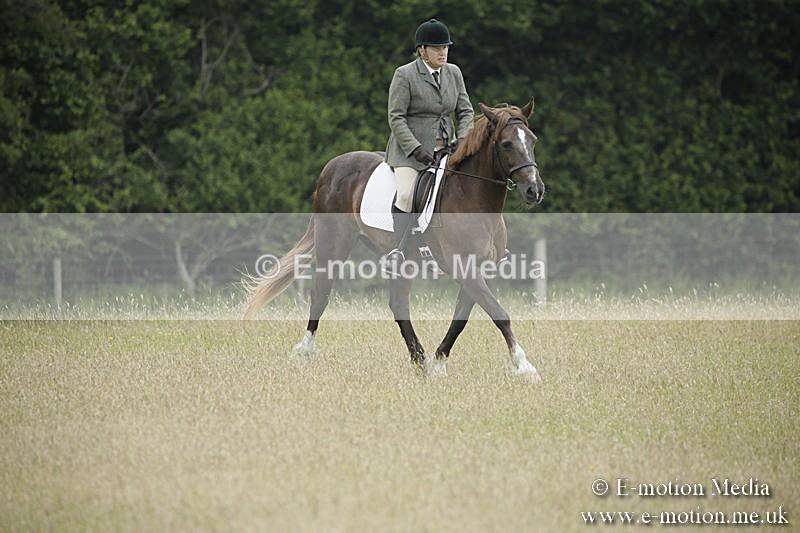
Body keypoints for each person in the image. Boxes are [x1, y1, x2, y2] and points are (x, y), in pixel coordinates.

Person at [382, 18, 474, 274]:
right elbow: (396, 118)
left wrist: (463, 138)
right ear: (422, 50)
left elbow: (465, 110)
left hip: (447, 148)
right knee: (406, 194)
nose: (443, 52)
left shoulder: (454, 73)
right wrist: (414, 148)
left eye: (445, 47)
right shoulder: (405, 74)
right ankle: (398, 251)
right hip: (410, 153)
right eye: (437, 48)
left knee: (469, 187)